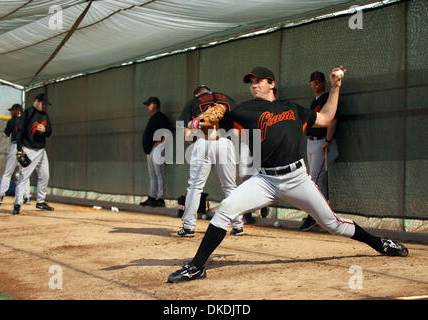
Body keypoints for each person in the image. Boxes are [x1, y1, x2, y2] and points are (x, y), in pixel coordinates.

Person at [168, 66, 408, 283]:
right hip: (265, 180)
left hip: (297, 179)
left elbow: (325, 118)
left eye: (259, 80)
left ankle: (380, 244)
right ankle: (197, 266)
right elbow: (207, 128)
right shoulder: (243, 111)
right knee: (225, 210)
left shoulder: (292, 108)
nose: (254, 84)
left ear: (272, 84)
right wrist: (198, 125)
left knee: (333, 224)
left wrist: (335, 87)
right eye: (251, 82)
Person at [177, 85, 244, 237]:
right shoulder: (227, 99)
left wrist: (195, 140)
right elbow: (237, 128)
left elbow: (184, 130)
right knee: (230, 187)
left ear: (197, 95)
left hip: (203, 141)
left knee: (195, 186)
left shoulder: (193, 102)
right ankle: (238, 225)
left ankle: (188, 227)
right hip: (225, 142)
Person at [300, 71, 339, 232]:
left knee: (314, 180)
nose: (315, 84)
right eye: (313, 82)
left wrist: (328, 140)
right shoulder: (315, 101)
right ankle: (322, 216)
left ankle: (315, 216)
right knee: (319, 180)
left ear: (323, 82)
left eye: (318, 81)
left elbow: (333, 119)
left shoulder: (326, 98)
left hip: (323, 143)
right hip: (312, 142)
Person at [12, 93, 54, 215]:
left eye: (46, 104)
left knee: (45, 175)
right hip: (29, 149)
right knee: (24, 177)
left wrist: (45, 130)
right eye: (43, 103)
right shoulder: (28, 113)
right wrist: (19, 150)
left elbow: (50, 131)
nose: (45, 106)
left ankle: (40, 202)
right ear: (36, 101)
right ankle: (17, 204)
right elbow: (20, 131)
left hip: (41, 150)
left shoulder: (45, 115)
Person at [140, 97, 174, 207]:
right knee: (153, 175)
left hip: (156, 149)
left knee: (159, 174)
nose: (147, 107)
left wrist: (162, 143)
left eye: (149, 104)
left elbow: (168, 130)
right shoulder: (154, 117)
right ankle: (152, 196)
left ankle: (160, 198)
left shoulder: (160, 117)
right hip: (150, 149)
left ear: (154, 105)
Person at [0, 104, 31, 206]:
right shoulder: (27, 120)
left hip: (16, 146)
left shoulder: (11, 121)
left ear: (18, 110)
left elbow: (5, 135)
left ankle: (0, 196)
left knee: (7, 173)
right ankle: (27, 197)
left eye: (13, 110)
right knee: (24, 173)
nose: (11, 112)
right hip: (26, 148)